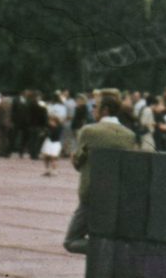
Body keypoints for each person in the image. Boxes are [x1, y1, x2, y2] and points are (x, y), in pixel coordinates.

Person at [64, 90, 138, 256]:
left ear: (105, 110)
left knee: (71, 241)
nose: (92, 110)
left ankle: (108, 250)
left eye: (95, 107)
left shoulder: (89, 131)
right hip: (116, 195)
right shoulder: (129, 135)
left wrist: (74, 160)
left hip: (90, 194)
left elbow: (79, 163)